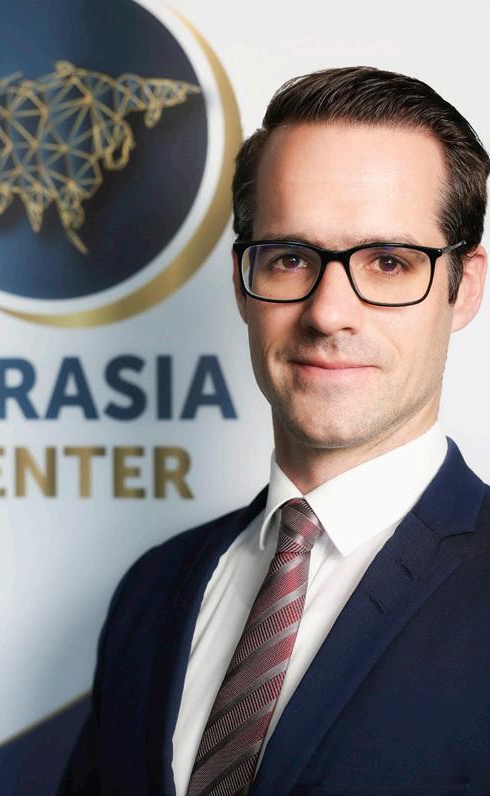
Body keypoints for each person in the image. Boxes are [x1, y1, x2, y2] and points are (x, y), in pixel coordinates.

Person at [58, 66, 490, 795]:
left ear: (464, 287)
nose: (329, 313)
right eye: (291, 259)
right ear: (242, 280)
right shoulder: (152, 593)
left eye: (388, 263)